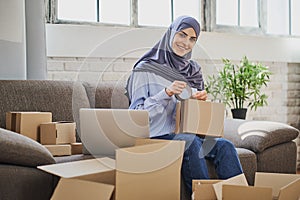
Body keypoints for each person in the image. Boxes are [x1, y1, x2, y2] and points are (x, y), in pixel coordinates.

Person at [125, 15, 243, 197]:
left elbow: (196, 120)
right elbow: (136, 115)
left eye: (192, 39)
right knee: (189, 141)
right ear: (171, 33)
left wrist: (200, 102)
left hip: (186, 135)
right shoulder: (144, 69)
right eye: (182, 35)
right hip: (155, 137)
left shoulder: (192, 70)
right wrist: (166, 93)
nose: (186, 42)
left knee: (225, 146)